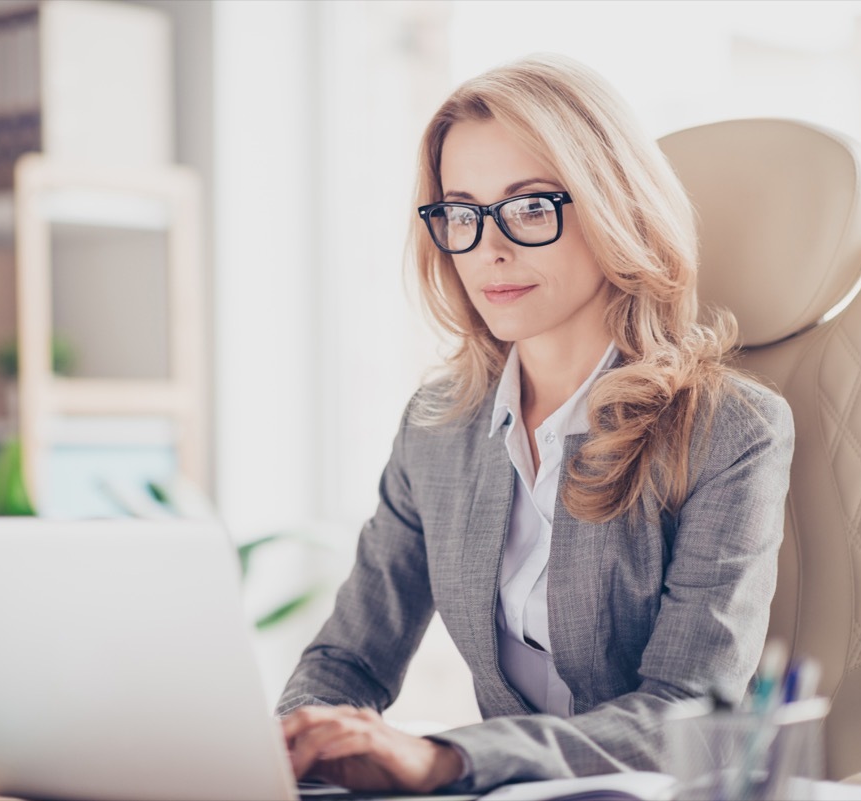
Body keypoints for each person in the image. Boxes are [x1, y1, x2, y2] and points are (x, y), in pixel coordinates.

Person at [277, 53, 794, 795]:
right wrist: (298, 737)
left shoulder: (729, 428)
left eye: (528, 206)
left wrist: (451, 759)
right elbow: (347, 661)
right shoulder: (437, 428)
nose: (490, 247)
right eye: (462, 212)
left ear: (614, 208)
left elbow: (688, 711)